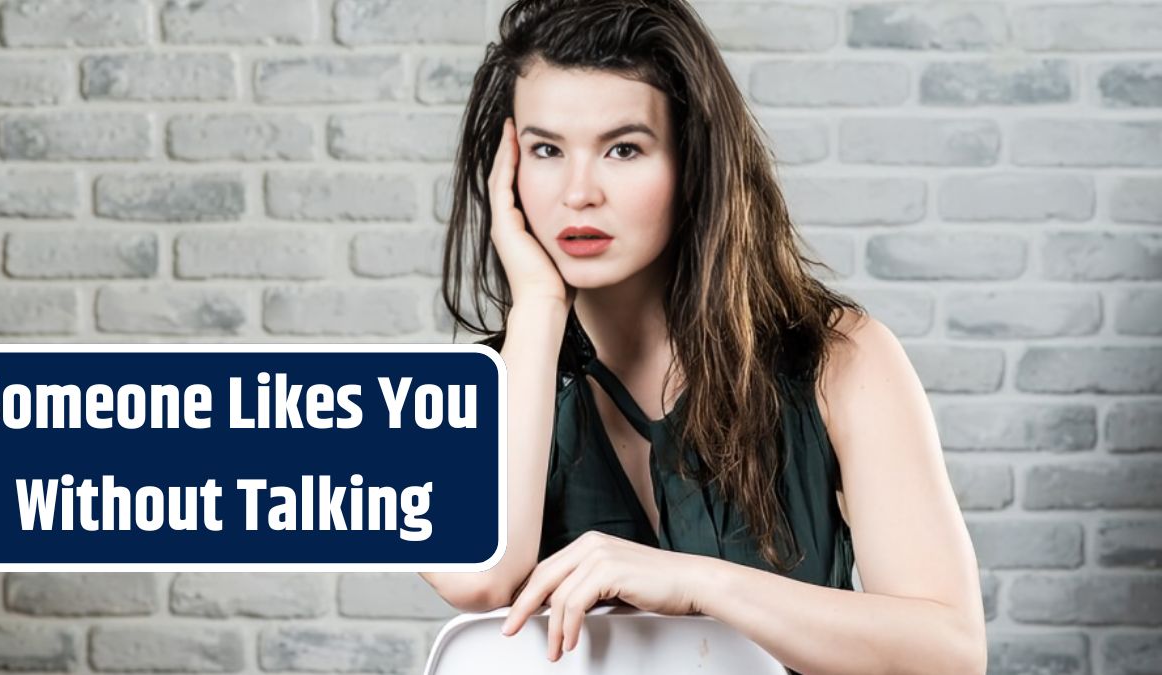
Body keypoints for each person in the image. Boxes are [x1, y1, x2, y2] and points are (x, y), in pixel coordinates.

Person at [422, 1, 987, 673]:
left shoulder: (840, 359)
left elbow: (951, 651)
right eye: (546, 150)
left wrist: (697, 584)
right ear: (507, 169)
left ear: (693, 160)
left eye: (623, 148)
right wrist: (540, 307)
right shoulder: (467, 396)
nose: (578, 192)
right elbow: (481, 578)